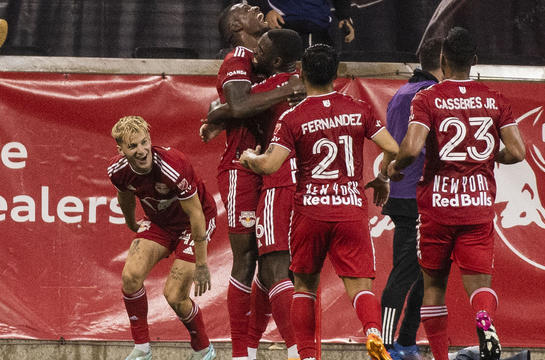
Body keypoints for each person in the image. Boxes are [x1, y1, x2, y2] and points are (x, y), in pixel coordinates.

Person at [239, 43, 398, 360]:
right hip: (350, 209)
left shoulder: (293, 117)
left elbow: (270, 165)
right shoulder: (358, 109)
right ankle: (372, 332)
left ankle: (308, 356)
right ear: (336, 74)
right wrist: (383, 179)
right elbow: (393, 148)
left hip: (310, 212)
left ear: (300, 74)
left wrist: (250, 159)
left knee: (305, 287)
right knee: (360, 286)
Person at [387, 27, 526, 360]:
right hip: (477, 206)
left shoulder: (427, 98)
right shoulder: (495, 99)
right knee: (480, 286)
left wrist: (394, 167)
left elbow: (413, 146)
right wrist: (490, 156)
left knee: (433, 288)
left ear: (442, 59)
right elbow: (518, 151)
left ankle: (439, 357)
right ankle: (484, 321)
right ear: (475, 61)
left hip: (437, 207)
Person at [201, 4, 305, 360]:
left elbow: (235, 106)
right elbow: (242, 104)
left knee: (271, 259)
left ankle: (258, 344)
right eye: (244, 8)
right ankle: (240, 351)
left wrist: (217, 113)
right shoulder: (238, 58)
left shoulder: (264, 59)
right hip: (240, 169)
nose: (255, 7)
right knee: (246, 259)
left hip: (270, 170)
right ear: (235, 25)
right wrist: (289, 89)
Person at [107, 116, 217, 360]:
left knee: (175, 295)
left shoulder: (172, 165)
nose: (141, 151)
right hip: (160, 222)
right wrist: (131, 222)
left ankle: (203, 349)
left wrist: (201, 264)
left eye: (144, 142)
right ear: (121, 150)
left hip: (192, 224)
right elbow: (124, 196)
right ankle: (142, 349)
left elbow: (197, 214)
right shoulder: (117, 170)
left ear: (150, 140)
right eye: (133, 146)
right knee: (130, 276)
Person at [380, 37, 443, 360]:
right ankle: (386, 344)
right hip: (415, 195)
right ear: (445, 59)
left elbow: (392, 145)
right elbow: (409, 147)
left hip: (410, 193)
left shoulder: (403, 92)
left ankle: (404, 341)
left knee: (424, 271)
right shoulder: (427, 94)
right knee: (407, 271)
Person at [250, 0, 355, 47]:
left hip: (320, 26)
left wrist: (344, 15)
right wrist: (265, 10)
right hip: (282, 26)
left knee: (321, 80)